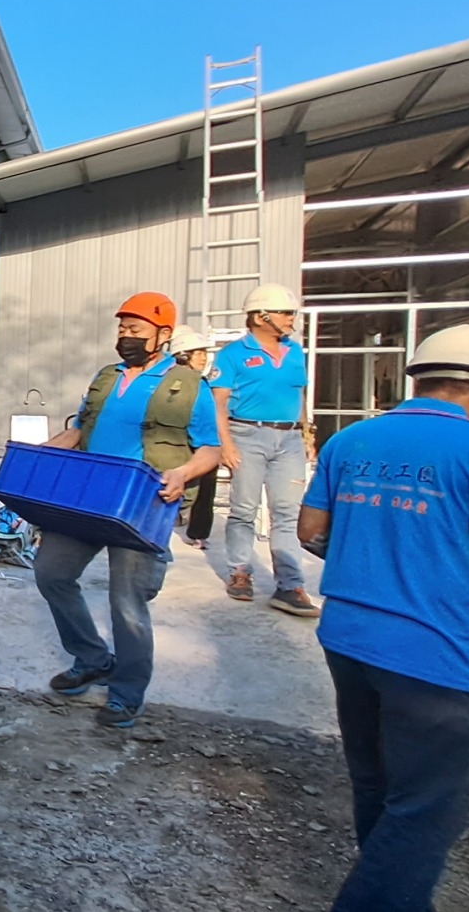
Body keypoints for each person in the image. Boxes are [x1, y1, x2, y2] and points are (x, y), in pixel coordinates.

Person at [296, 324, 469, 912]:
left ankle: (396, 897)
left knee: (378, 778)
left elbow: (312, 532)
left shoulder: (352, 439)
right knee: (432, 801)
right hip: (430, 650)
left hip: (348, 635)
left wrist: (374, 557)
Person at [38, 292, 221, 729]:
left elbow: (210, 450)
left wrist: (182, 473)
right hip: (90, 495)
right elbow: (80, 429)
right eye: (122, 329)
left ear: (162, 335)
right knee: (51, 573)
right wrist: (41, 453)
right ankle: (92, 658)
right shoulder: (106, 377)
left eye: (136, 329)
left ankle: (127, 693)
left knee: (127, 601)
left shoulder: (187, 385)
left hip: (142, 502)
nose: (126, 337)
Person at [213, 283, 317, 617]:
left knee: (287, 512)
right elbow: (217, 403)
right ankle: (240, 571)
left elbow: (299, 395)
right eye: (285, 313)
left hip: (289, 439)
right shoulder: (232, 354)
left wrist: (306, 434)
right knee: (244, 508)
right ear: (261, 317)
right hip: (247, 435)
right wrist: (226, 444)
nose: (291, 319)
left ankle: (290, 585)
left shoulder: (295, 352)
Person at [168, 326, 221, 549]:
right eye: (198, 353)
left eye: (204, 353)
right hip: (177, 441)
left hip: (204, 442)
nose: (203, 358)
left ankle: (198, 531)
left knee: (206, 487)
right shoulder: (168, 382)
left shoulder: (202, 382)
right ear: (182, 356)